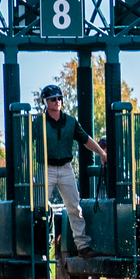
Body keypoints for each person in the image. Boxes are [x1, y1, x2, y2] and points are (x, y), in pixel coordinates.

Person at [37, 86, 108, 256]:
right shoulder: (38, 122)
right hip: (45, 168)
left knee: (75, 207)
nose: (57, 101)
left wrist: (101, 153)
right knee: (38, 207)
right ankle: (37, 245)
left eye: (59, 98)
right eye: (53, 99)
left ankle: (82, 246)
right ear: (45, 102)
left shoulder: (70, 121)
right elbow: (26, 143)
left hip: (66, 168)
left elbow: (86, 139)